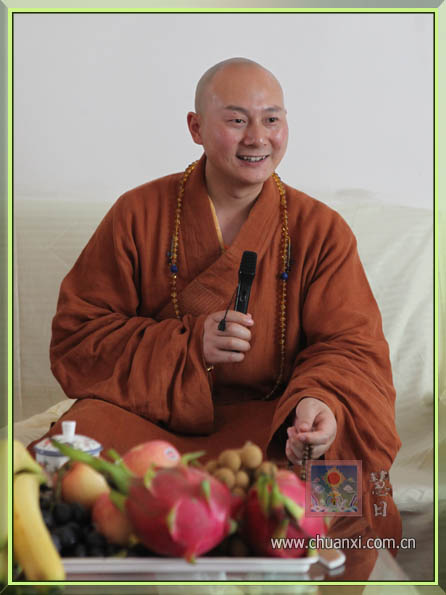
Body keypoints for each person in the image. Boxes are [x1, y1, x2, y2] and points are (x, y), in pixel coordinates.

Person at [31, 57, 402, 549]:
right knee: (61, 471)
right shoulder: (137, 213)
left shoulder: (321, 231)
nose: (258, 137)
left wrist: (322, 401)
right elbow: (78, 336)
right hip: (145, 422)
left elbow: (351, 348)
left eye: (272, 119)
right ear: (196, 128)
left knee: (333, 494)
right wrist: (188, 344)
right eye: (237, 119)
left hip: (273, 426)